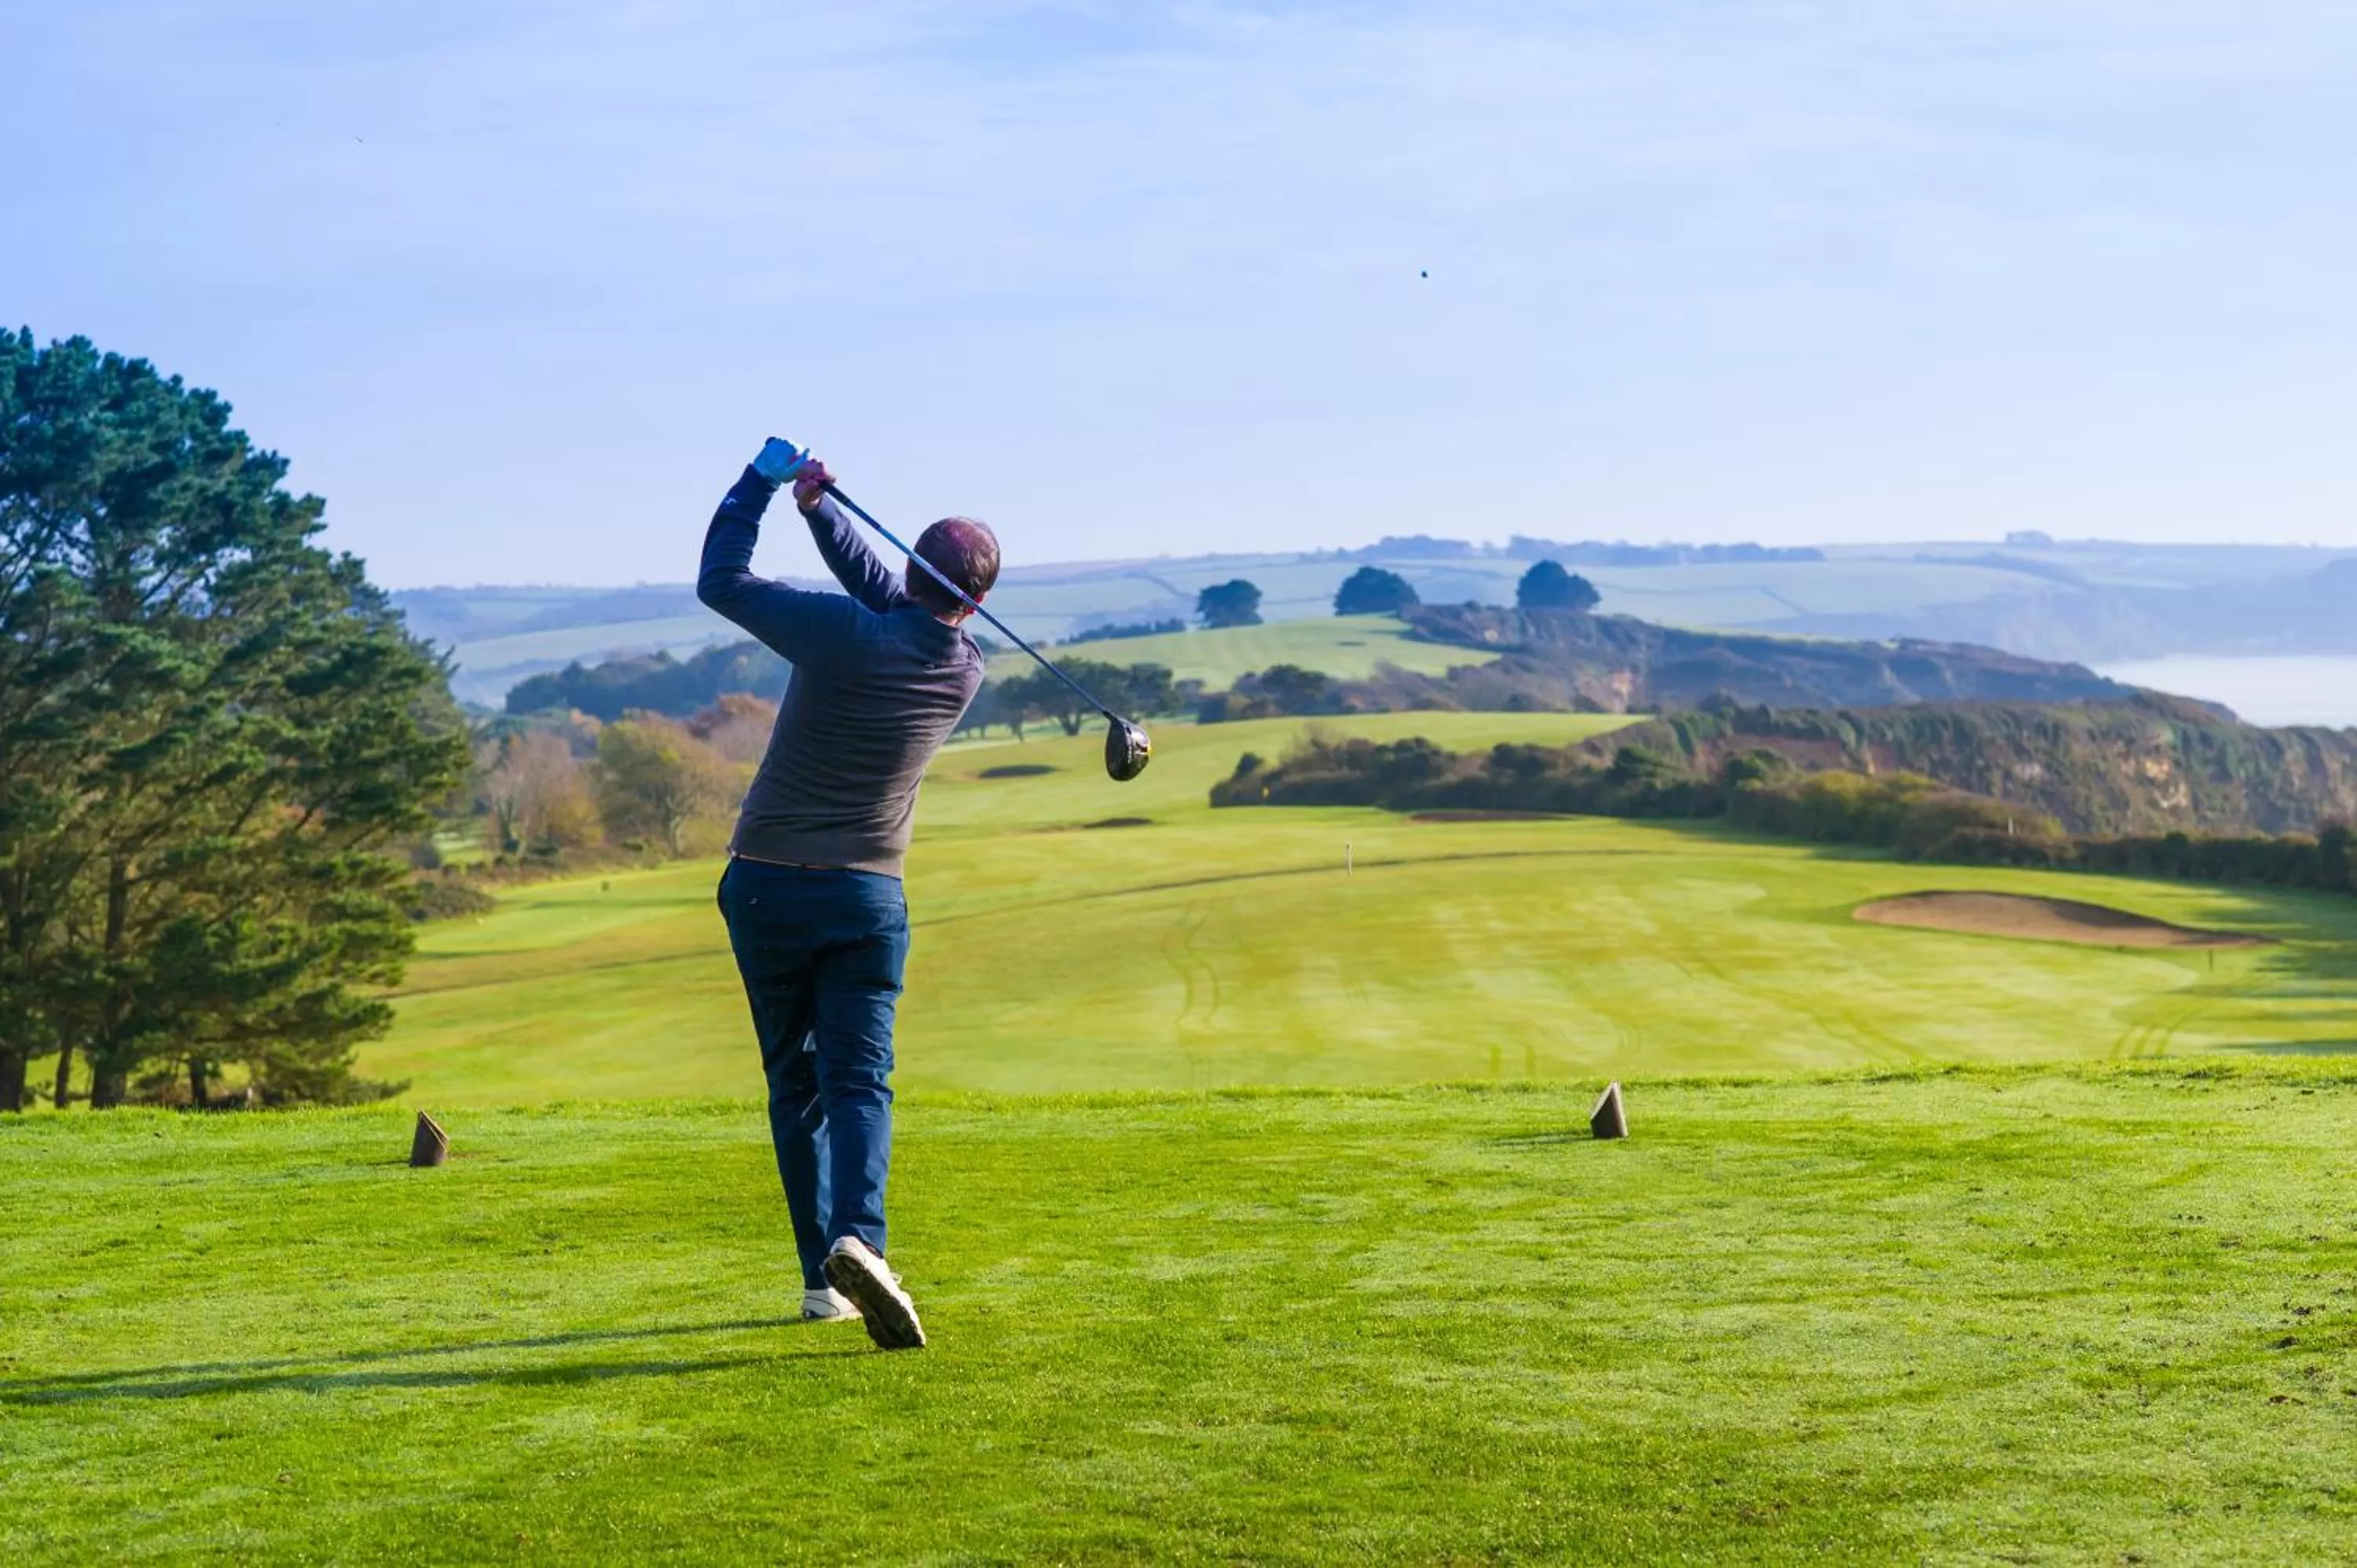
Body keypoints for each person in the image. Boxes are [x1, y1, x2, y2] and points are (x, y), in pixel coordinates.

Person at [695, 438, 999, 1351]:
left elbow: (722, 578)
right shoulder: (964, 669)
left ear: (911, 566)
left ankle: (819, 1282)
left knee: (797, 1086)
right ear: (976, 602)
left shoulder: (837, 631)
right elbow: (908, 610)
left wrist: (764, 484)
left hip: (767, 888)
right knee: (861, 1080)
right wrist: (824, 515)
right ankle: (861, 1240)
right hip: (868, 898)